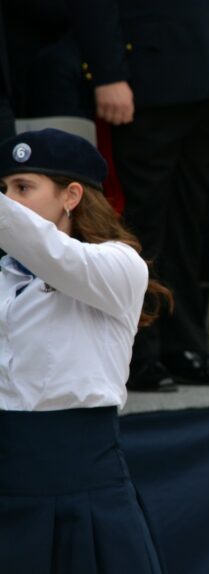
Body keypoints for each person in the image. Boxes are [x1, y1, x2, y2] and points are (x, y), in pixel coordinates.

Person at [68, 0, 209, 390]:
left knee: (190, 223)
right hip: (148, 75)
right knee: (141, 223)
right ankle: (137, 351)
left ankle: (185, 346)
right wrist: (108, 72)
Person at [0, 129, 169, 571]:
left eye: (23, 188)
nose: (10, 200)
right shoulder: (5, 274)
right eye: (4, 189)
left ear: (71, 196)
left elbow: (53, 254)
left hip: (84, 487)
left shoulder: (119, 264)